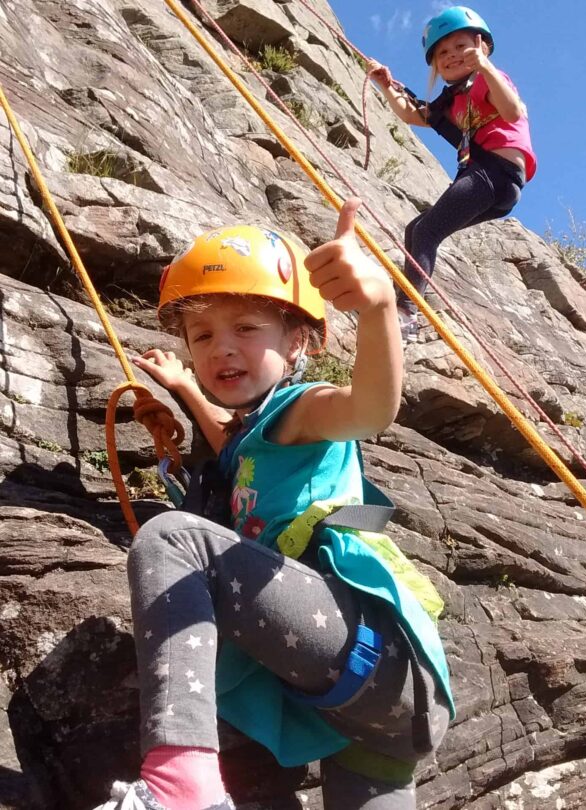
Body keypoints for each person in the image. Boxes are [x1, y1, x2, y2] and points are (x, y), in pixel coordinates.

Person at [95, 199, 454, 810]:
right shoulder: (256, 435)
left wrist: (378, 308)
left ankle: (182, 791)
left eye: (246, 328)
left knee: (173, 539)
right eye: (202, 336)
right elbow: (232, 446)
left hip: (363, 654)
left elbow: (370, 409)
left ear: (297, 343)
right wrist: (182, 388)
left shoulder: (304, 408)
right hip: (378, 718)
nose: (221, 349)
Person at [367, 6, 536, 343]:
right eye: (442, 53)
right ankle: (410, 304)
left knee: (426, 231)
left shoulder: (489, 79)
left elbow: (512, 111)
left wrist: (485, 66)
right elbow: (413, 115)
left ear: (481, 45)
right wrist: (386, 86)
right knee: (417, 229)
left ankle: (406, 313)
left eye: (460, 46)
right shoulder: (451, 102)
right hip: (492, 184)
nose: (452, 55)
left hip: (496, 172)